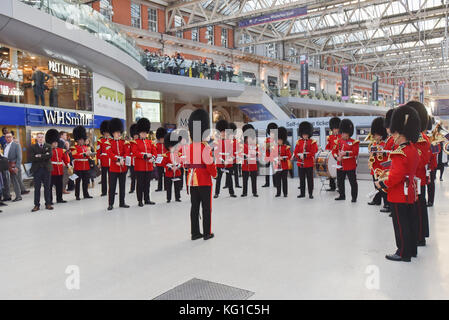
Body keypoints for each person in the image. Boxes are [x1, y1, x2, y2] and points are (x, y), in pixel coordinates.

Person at [376, 105, 420, 262]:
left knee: (401, 225)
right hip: (410, 192)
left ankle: (402, 253)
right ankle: (411, 250)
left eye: (394, 132)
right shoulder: (413, 149)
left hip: (399, 194)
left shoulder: (399, 152)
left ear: (401, 133)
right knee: (410, 223)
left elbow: (395, 177)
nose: (392, 135)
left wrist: (381, 184)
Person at [185, 109, 217, 240]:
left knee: (194, 207)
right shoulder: (205, 147)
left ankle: (195, 233)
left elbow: (186, 164)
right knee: (206, 208)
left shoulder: (189, 147)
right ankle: (207, 233)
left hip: (192, 180)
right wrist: (215, 174)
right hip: (203, 179)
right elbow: (209, 165)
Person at [406, 101, 431, 246]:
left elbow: (421, 161)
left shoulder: (422, 139)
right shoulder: (413, 138)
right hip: (412, 180)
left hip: (419, 180)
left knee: (419, 209)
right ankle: (417, 234)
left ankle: (420, 236)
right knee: (414, 209)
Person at [131, 118, 156, 207]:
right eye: (142, 133)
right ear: (139, 133)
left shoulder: (150, 142)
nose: (144, 134)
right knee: (140, 184)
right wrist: (144, 156)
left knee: (147, 184)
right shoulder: (135, 142)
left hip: (148, 166)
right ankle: (140, 200)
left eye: (145, 132)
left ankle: (147, 199)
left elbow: (154, 151)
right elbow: (135, 152)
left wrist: (153, 157)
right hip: (140, 166)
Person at [106, 118, 130, 211]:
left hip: (122, 167)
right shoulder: (109, 143)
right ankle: (110, 204)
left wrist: (122, 159)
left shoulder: (124, 142)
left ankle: (122, 202)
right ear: (113, 133)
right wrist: (117, 159)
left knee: (122, 186)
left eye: (119, 132)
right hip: (113, 168)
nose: (118, 133)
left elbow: (126, 152)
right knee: (112, 187)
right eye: (116, 132)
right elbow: (109, 153)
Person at [333, 119, 359, 202]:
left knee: (353, 182)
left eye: (345, 133)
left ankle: (354, 197)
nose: (343, 135)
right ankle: (341, 195)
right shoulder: (338, 141)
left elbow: (355, 153)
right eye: (342, 133)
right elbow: (334, 151)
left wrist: (345, 153)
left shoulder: (354, 142)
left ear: (349, 133)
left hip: (350, 165)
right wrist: (337, 157)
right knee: (340, 182)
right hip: (340, 165)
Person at [367, 117, 389, 213]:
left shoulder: (386, 143)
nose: (375, 137)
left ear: (381, 134)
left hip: (382, 169)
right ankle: (377, 200)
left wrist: (381, 153)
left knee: (383, 187)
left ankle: (387, 204)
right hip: (375, 168)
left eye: (376, 135)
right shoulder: (374, 143)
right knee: (376, 185)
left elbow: (388, 154)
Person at [294, 121, 318, 199]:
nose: (304, 136)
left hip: (309, 163)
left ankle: (310, 193)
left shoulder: (312, 142)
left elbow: (313, 152)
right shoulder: (299, 142)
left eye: (306, 134)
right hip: (300, 163)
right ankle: (302, 193)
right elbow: (296, 151)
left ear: (308, 134)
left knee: (310, 180)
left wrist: (305, 155)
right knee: (301, 179)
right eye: (303, 134)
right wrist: (298, 156)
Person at [30, 132, 53, 212]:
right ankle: (36, 205)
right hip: (37, 170)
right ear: (37, 138)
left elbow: (50, 155)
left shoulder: (48, 146)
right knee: (37, 188)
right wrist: (44, 156)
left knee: (47, 187)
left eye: (42, 137)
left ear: (44, 138)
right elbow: (32, 158)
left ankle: (48, 204)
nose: (40, 138)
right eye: (39, 137)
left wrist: (39, 155)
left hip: (47, 169)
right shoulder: (32, 147)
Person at [46, 129, 70, 204]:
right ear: (51, 143)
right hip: (52, 171)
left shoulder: (61, 150)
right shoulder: (48, 150)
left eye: (56, 142)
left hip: (60, 170)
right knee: (49, 187)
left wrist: (69, 166)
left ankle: (59, 199)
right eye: (54, 142)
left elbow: (66, 160)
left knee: (59, 185)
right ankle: (49, 200)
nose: (56, 144)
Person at [214, 120, 236, 198]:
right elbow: (216, 153)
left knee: (229, 179)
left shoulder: (230, 141)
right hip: (220, 163)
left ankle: (231, 192)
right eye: (222, 132)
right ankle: (216, 193)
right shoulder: (217, 142)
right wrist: (222, 160)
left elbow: (232, 153)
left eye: (224, 132)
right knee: (218, 179)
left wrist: (228, 160)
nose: (223, 133)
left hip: (228, 163)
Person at [71, 126, 93, 201]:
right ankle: (77, 195)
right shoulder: (74, 147)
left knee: (85, 181)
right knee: (77, 182)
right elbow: (75, 155)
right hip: (78, 167)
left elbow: (88, 157)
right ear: (77, 140)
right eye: (80, 140)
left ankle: (86, 194)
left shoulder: (86, 147)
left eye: (82, 140)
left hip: (86, 167)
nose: (82, 141)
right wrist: (84, 154)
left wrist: (90, 155)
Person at [163, 133, 183, 203]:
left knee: (177, 186)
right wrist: (170, 167)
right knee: (169, 187)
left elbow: (181, 162)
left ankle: (177, 197)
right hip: (169, 173)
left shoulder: (178, 154)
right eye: (170, 146)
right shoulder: (166, 154)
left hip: (177, 172)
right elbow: (164, 163)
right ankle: (168, 198)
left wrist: (177, 166)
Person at [3, 132, 23, 202]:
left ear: (12, 137)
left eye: (10, 137)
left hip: (13, 165)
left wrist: (17, 167)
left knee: (15, 181)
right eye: (7, 137)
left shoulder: (16, 145)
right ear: (5, 138)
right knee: (6, 181)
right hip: (6, 165)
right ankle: (7, 196)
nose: (8, 138)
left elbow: (19, 157)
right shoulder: (5, 145)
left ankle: (18, 196)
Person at [273, 127, 291, 198]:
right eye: (278, 140)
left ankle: (285, 193)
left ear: (283, 140)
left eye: (280, 140)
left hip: (284, 166)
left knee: (284, 180)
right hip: (277, 166)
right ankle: (278, 192)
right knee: (278, 181)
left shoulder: (286, 147)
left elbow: (289, 156)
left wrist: (282, 158)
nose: (279, 141)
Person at [241, 124, 258, 197]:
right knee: (245, 180)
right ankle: (244, 192)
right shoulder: (242, 145)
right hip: (245, 165)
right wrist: (245, 156)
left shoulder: (254, 145)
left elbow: (258, 153)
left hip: (253, 165)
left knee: (254, 180)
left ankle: (254, 192)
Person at [325, 117, 341, 192]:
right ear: (332, 129)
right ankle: (332, 186)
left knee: (339, 173)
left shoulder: (341, 137)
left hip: (338, 157)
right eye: (334, 129)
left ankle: (340, 187)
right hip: (331, 157)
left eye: (337, 129)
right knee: (331, 171)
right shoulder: (330, 137)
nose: (335, 130)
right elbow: (328, 146)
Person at [96, 120, 111, 196]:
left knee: (111, 178)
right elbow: (98, 152)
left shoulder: (112, 140)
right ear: (103, 132)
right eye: (106, 132)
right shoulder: (100, 141)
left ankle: (112, 190)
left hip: (111, 161)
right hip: (104, 160)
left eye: (108, 132)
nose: (107, 133)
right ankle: (104, 191)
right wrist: (99, 162)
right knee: (104, 177)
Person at [262, 122, 278, 188]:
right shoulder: (267, 139)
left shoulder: (277, 139)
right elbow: (264, 147)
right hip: (268, 157)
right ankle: (267, 183)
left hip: (274, 157)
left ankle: (275, 183)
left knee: (274, 171)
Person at [155, 127, 167, 192]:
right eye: (161, 139)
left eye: (163, 138)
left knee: (165, 176)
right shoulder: (157, 145)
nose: (162, 140)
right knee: (159, 176)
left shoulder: (166, 145)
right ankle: (159, 187)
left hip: (165, 162)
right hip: (159, 162)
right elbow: (155, 152)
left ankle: (166, 187)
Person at [128, 123, 139, 194]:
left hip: (138, 161)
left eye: (136, 135)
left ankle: (139, 188)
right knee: (133, 176)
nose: (136, 136)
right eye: (134, 135)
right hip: (132, 161)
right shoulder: (130, 143)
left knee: (139, 177)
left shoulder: (140, 142)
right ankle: (132, 188)